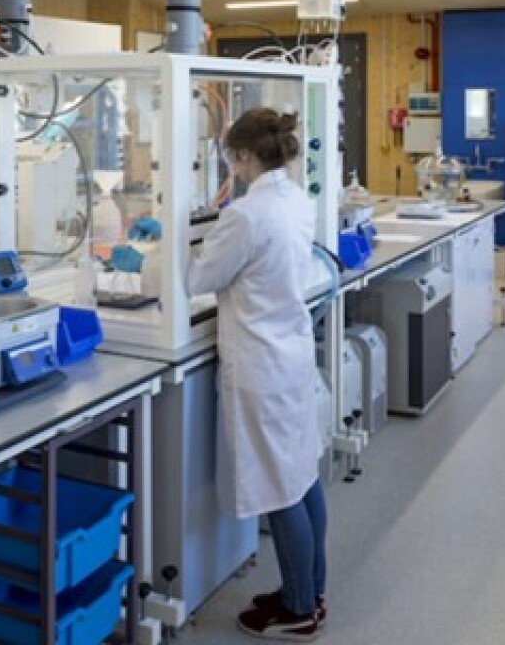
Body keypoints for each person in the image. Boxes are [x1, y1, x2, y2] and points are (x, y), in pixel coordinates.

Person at [187, 107, 327, 642]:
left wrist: (158, 254)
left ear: (244, 155)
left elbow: (201, 278)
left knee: (280, 487)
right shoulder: (296, 200)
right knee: (302, 476)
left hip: (260, 363)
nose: (232, 168)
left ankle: (297, 609)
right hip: (289, 353)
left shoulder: (246, 215)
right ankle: (310, 591)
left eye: (233, 159)